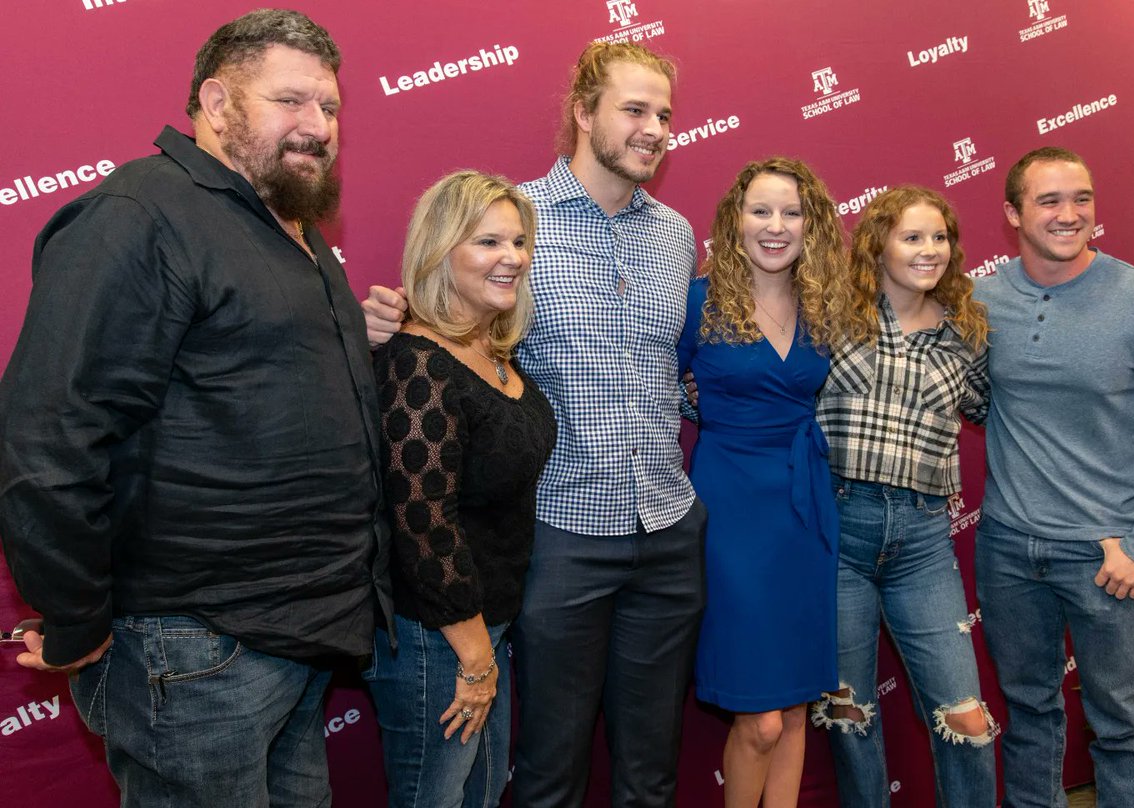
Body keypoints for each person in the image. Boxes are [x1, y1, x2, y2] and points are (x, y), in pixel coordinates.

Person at [0, 10, 392, 806]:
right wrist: (78, 616)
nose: (317, 126)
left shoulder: (288, 227)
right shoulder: (141, 216)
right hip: (195, 652)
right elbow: (49, 434)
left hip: (299, 638)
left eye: (330, 107)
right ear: (217, 104)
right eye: (291, 101)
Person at [363, 41, 706, 808]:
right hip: (558, 536)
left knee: (651, 773)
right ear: (583, 113)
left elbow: (671, 371)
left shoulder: (678, 235)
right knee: (549, 772)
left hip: (668, 529)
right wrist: (378, 322)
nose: (654, 129)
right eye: (634, 110)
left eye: (665, 116)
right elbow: (444, 341)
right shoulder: (513, 221)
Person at [972, 147, 1134, 808]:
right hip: (1009, 549)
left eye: (1083, 198)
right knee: (1030, 718)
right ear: (1013, 213)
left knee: (1122, 723)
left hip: (1108, 555)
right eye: (1050, 200)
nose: (1070, 215)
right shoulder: (984, 299)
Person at [366, 171, 555, 808]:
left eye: (519, 241)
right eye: (487, 242)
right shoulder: (418, 359)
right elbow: (422, 519)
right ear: (442, 250)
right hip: (437, 638)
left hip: (486, 626)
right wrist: (474, 656)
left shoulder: (492, 347)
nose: (511, 258)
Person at [808, 186, 998, 807]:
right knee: (849, 712)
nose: (929, 250)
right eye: (912, 237)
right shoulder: (832, 317)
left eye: (939, 237)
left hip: (921, 538)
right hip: (837, 529)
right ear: (877, 245)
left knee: (966, 714)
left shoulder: (966, 332)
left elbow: (999, 411)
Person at [676, 157, 852, 808]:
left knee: (799, 707)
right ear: (735, 220)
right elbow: (648, 389)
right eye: (761, 210)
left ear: (812, 226)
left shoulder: (825, 305)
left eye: (792, 212)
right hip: (730, 513)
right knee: (761, 719)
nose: (775, 226)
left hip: (806, 513)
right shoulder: (698, 302)